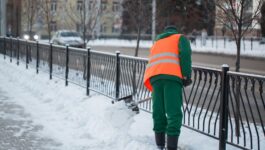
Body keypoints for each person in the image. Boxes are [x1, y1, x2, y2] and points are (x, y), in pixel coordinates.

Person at [143, 25, 192, 150]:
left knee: (158, 111)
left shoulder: (157, 42)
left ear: (165, 32)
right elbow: (185, 55)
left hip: (155, 77)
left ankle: (159, 144)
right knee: (173, 112)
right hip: (171, 78)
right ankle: (171, 147)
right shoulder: (180, 38)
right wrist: (186, 76)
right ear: (175, 31)